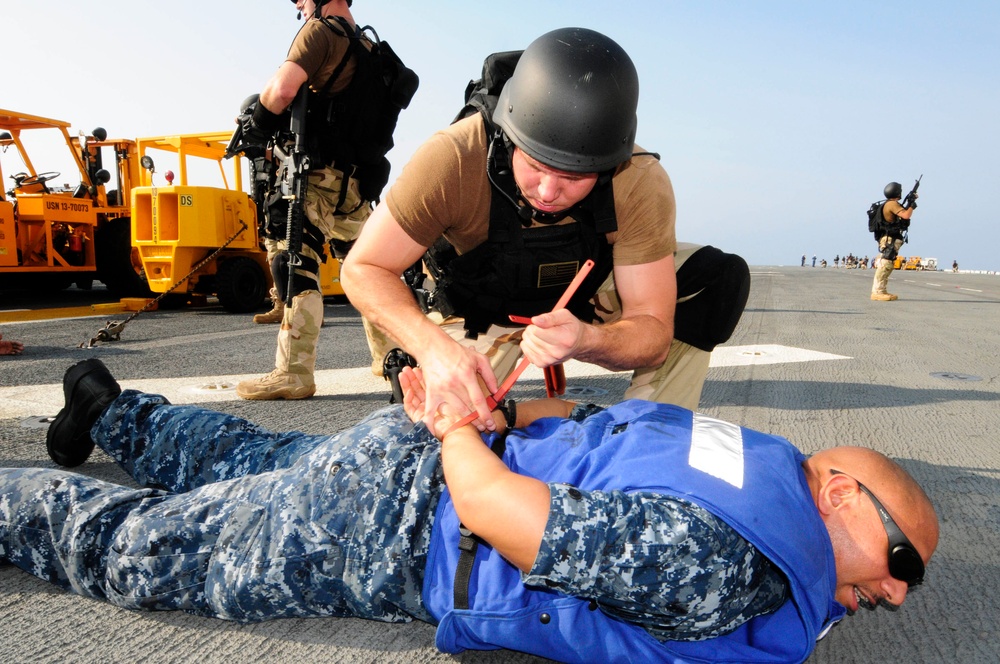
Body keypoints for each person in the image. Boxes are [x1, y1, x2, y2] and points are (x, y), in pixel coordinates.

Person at [3, 358, 937, 662]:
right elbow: (493, 511)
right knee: (144, 553)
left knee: (248, 460)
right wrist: (457, 420)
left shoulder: (740, 455)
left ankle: (112, 408)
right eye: (904, 565)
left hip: (402, 459)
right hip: (391, 521)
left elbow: (581, 416)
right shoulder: (729, 566)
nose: (897, 595)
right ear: (839, 494)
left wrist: (483, 412)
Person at [341, 27, 749, 430]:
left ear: (609, 162)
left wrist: (588, 341)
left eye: (576, 174)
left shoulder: (638, 178)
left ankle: (647, 436)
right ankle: (505, 413)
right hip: (483, 309)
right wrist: (433, 350)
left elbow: (653, 330)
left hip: (584, 300)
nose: (549, 192)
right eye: (535, 165)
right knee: (449, 428)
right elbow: (363, 268)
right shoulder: (454, 157)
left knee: (713, 278)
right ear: (509, 136)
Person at [234, 0, 381, 400]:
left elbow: (282, 89)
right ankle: (390, 360)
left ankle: (293, 374)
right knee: (370, 269)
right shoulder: (370, 48)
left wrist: (258, 125)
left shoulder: (321, 31)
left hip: (315, 177)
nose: (298, 5)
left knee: (294, 264)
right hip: (354, 182)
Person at [871, 182, 917, 301]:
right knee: (885, 265)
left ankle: (882, 290)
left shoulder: (888, 204)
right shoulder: (892, 204)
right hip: (889, 238)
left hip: (889, 238)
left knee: (888, 264)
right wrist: (911, 205)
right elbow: (906, 215)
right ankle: (877, 292)